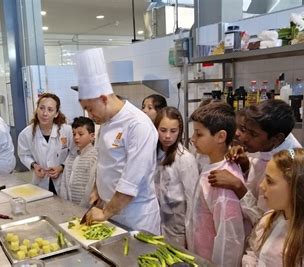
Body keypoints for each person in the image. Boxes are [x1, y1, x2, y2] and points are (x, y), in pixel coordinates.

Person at [75, 48, 161, 234]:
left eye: (90, 109)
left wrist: (105, 213)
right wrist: (98, 191)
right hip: (111, 210)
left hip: (136, 216)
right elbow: (104, 162)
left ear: (104, 98)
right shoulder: (105, 122)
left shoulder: (138, 125)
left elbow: (131, 181)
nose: (89, 115)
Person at [208, 99, 301, 225]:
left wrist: (238, 186)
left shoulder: (290, 165)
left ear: (277, 138)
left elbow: (267, 222)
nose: (243, 138)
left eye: (253, 134)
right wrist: (246, 165)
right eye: (244, 129)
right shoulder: (266, 144)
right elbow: (257, 177)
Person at [187, 102, 246, 266]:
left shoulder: (223, 180)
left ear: (221, 136)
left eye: (199, 134)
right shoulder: (211, 165)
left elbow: (229, 241)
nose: (192, 139)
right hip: (201, 256)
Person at [153, 107, 199, 248]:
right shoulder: (152, 154)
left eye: (173, 131)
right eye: (163, 130)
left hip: (178, 229)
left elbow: (193, 201)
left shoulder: (185, 159)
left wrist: (190, 237)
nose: (167, 136)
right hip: (155, 223)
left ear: (180, 132)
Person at [18, 93, 72, 195]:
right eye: (42, 108)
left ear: (56, 113)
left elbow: (73, 153)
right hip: (40, 180)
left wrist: (61, 167)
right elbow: (24, 155)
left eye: (50, 110)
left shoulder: (66, 131)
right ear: (37, 109)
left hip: (62, 180)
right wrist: (34, 166)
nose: (45, 113)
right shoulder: (26, 134)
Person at [59, 117, 98, 208]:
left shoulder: (95, 157)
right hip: (69, 206)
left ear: (92, 136)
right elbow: (64, 182)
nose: (76, 137)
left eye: (80, 134)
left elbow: (91, 186)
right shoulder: (71, 155)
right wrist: (65, 203)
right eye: (74, 134)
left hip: (86, 207)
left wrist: (83, 207)